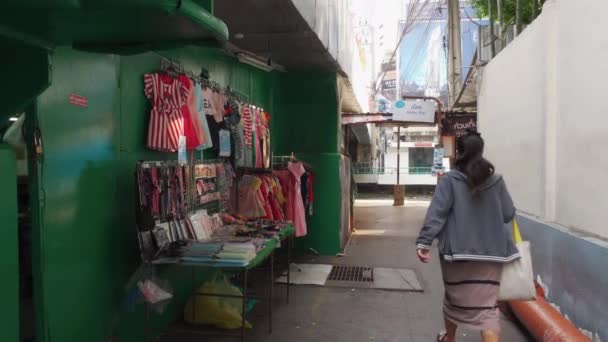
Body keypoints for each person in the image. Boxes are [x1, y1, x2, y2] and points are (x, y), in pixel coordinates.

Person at [415, 130, 518, 342]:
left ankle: (449, 339)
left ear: (459, 152)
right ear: (481, 151)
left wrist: (424, 242)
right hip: (492, 257)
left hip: (457, 256)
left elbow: (437, 213)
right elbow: (508, 214)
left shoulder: (450, 180)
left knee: (454, 301)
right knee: (487, 309)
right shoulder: (497, 181)